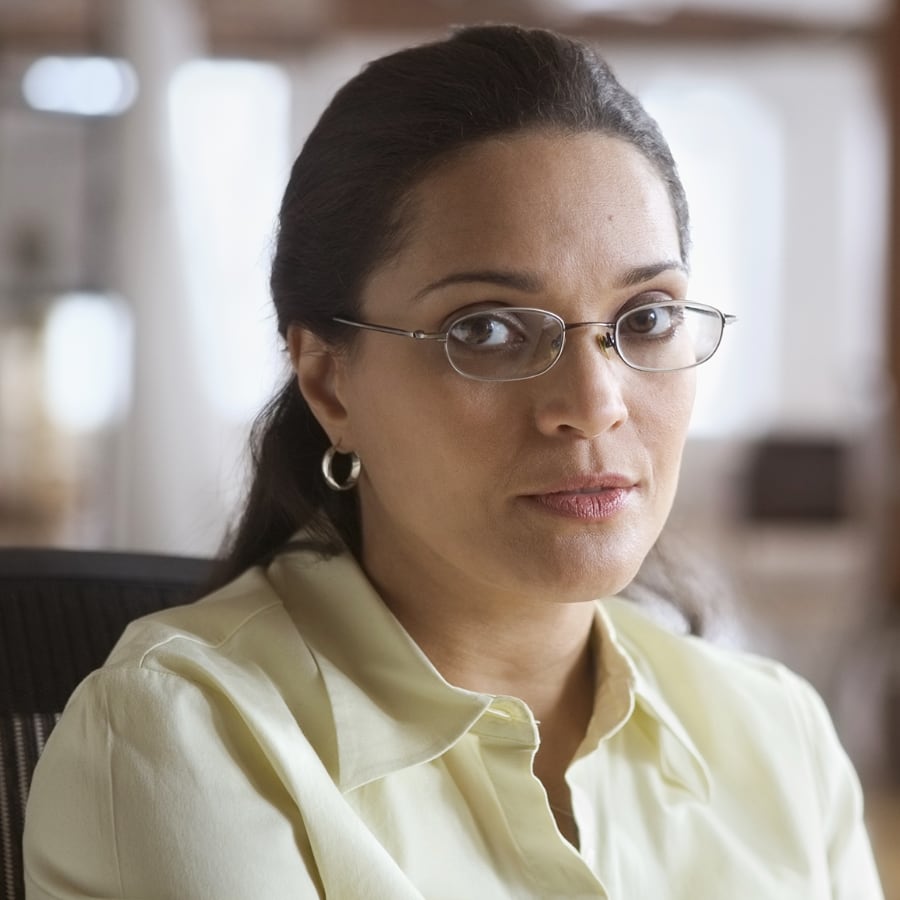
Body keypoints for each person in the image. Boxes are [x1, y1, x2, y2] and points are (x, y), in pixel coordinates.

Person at [24, 23, 883, 900]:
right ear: (330, 385)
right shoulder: (188, 738)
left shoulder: (777, 736)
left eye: (646, 318)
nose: (592, 405)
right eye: (488, 330)